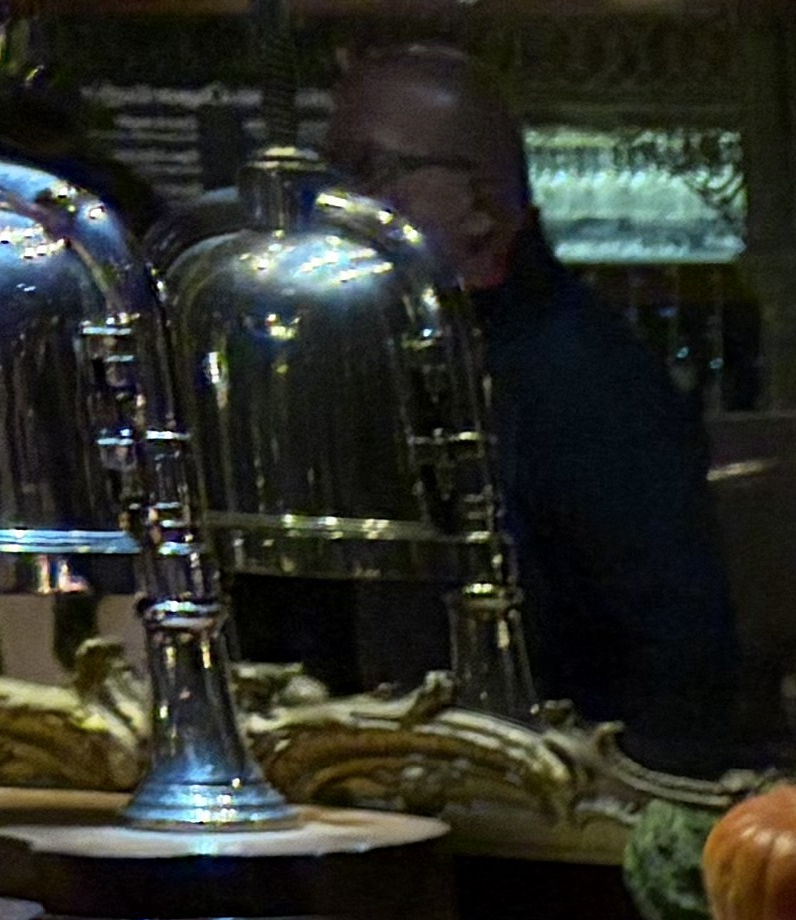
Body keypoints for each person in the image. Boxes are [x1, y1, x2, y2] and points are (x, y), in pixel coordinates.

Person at [323, 43, 757, 764]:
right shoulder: (408, 350)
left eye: (369, 170)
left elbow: (680, 662)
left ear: (482, 203)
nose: (336, 205)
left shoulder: (585, 376)